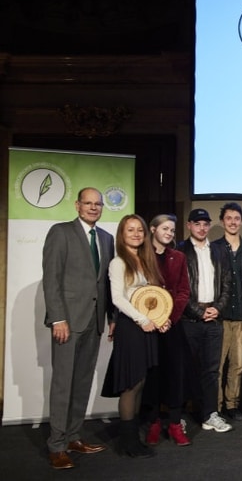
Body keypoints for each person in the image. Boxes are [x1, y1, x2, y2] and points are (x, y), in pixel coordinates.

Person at [42, 187, 114, 469]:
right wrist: (58, 318)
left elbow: (105, 284)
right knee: (63, 384)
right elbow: (51, 278)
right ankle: (56, 445)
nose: (93, 207)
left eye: (98, 204)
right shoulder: (60, 232)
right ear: (77, 205)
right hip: (68, 323)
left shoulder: (106, 238)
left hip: (94, 321)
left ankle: (73, 436)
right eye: (88, 203)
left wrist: (111, 318)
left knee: (82, 383)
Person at [101, 214, 166, 458]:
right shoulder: (118, 263)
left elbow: (153, 297)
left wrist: (161, 317)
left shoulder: (145, 260)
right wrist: (142, 320)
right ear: (122, 234)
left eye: (140, 230)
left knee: (141, 382)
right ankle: (127, 442)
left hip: (147, 327)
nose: (137, 234)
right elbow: (118, 299)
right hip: (131, 328)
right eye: (131, 230)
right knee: (131, 384)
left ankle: (134, 439)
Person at [177, 208, 233, 433]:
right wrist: (198, 312)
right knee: (184, 369)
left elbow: (227, 284)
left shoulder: (219, 250)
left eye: (205, 224)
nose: (202, 228)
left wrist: (217, 308)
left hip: (214, 320)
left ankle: (210, 414)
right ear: (189, 225)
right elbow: (177, 287)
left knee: (211, 371)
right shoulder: (180, 250)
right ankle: (178, 415)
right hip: (189, 320)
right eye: (197, 223)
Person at [141, 214, 192, 447]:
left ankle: (174, 424)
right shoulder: (140, 256)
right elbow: (137, 293)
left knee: (175, 375)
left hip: (172, 325)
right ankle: (152, 423)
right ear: (152, 230)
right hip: (148, 325)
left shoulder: (178, 257)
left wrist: (169, 318)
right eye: (165, 229)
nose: (170, 233)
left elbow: (183, 291)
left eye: (172, 230)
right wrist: (154, 319)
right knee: (152, 376)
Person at [213, 202, 242, 421]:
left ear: (240, 221)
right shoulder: (213, 248)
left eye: (236, 218)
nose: (232, 222)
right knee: (218, 365)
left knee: (238, 365)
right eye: (228, 218)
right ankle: (216, 406)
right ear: (222, 221)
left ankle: (232, 404)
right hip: (219, 317)